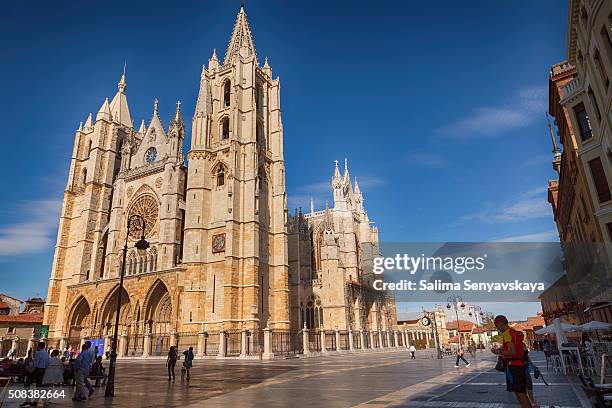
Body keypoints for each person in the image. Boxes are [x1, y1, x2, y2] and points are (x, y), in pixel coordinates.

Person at [491, 315, 531, 408]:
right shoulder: (514, 332)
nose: (498, 329)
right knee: (521, 393)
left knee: (520, 394)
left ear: (501, 324)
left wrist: (498, 351)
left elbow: (511, 352)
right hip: (519, 365)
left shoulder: (507, 334)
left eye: (497, 326)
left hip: (515, 366)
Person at [20, 341, 50, 407]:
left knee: (27, 384)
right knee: (38, 386)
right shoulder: (46, 354)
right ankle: (36, 401)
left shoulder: (38, 353)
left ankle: (27, 400)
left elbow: (35, 364)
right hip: (43, 370)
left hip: (36, 370)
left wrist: (30, 369)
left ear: (39, 346)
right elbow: (48, 363)